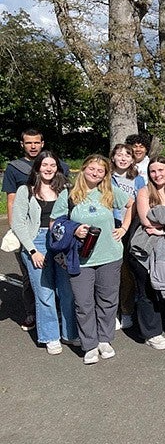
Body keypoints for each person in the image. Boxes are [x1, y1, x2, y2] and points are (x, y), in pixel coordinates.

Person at [50, 155, 134, 364]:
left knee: (107, 300)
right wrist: (74, 229)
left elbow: (131, 204)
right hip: (80, 258)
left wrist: (123, 228)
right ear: (84, 168)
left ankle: (105, 340)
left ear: (105, 174)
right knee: (83, 303)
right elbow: (54, 223)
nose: (95, 174)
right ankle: (89, 345)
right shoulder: (68, 194)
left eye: (100, 171)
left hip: (110, 255)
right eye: (92, 169)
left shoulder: (109, 192)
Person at [11, 151, 78, 354]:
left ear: (57, 168)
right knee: (45, 293)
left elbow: (74, 214)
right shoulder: (26, 190)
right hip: (36, 241)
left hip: (60, 241)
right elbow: (18, 223)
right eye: (44, 165)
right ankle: (50, 336)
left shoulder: (65, 189)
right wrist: (32, 251)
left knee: (66, 291)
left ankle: (70, 333)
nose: (48, 168)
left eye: (52, 165)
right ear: (38, 167)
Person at [3, 129, 69, 331]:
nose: (32, 145)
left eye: (36, 142)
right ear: (22, 144)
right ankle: (32, 313)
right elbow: (12, 201)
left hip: (57, 236)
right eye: (28, 142)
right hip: (31, 234)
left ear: (42, 143)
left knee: (62, 286)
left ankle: (60, 319)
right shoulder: (14, 168)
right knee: (31, 281)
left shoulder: (62, 171)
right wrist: (19, 232)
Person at [129, 156, 165, 349]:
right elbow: (147, 221)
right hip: (145, 248)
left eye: (161, 170)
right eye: (153, 171)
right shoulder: (144, 192)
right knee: (147, 289)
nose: (157, 175)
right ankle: (151, 332)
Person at [110, 143, 146, 330]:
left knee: (129, 273)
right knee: (113, 273)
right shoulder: (106, 178)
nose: (123, 158)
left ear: (133, 159)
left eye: (127, 155)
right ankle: (113, 312)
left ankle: (126, 311)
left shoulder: (138, 180)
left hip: (132, 228)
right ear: (113, 157)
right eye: (119, 154)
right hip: (111, 227)